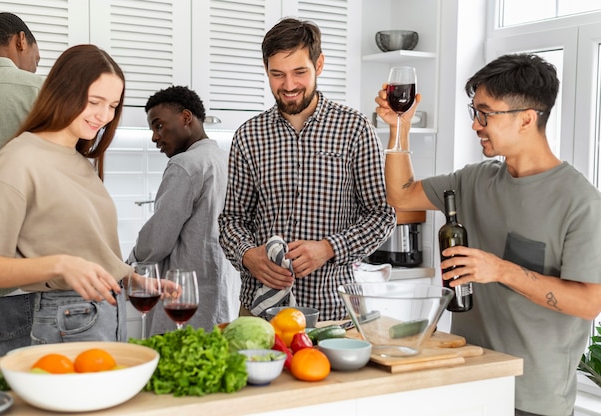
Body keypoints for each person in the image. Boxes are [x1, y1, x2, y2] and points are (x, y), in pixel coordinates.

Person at [377, 53, 601, 416]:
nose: (476, 125)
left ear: (527, 119)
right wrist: (398, 127)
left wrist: (499, 270)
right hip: (469, 380)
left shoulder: (580, 202)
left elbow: (589, 302)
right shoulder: (475, 180)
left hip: (531, 399)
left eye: (486, 113)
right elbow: (401, 194)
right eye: (475, 112)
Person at [218, 18, 395, 321]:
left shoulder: (354, 129)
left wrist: (329, 248)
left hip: (334, 311)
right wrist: (248, 255)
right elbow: (232, 221)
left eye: (299, 72)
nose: (288, 86)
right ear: (266, 70)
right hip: (261, 314)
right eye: (277, 74)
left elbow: (382, 216)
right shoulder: (249, 135)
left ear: (319, 64)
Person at [0, 44, 132, 344]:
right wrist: (59, 264)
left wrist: (131, 279)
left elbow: (88, 246)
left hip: (107, 311)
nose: (104, 116)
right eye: (95, 101)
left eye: (113, 105)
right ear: (63, 91)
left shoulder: (77, 156)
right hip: (69, 317)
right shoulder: (18, 160)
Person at [127, 85, 240, 334]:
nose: (155, 137)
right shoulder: (226, 159)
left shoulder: (185, 164)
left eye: (158, 125)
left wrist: (129, 266)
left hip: (184, 299)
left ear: (186, 118)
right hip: (224, 298)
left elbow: (157, 240)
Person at [0, 12, 42, 357]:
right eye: (35, 58)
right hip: (11, 285)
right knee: (28, 400)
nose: (33, 67)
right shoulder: (40, 93)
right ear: (20, 41)